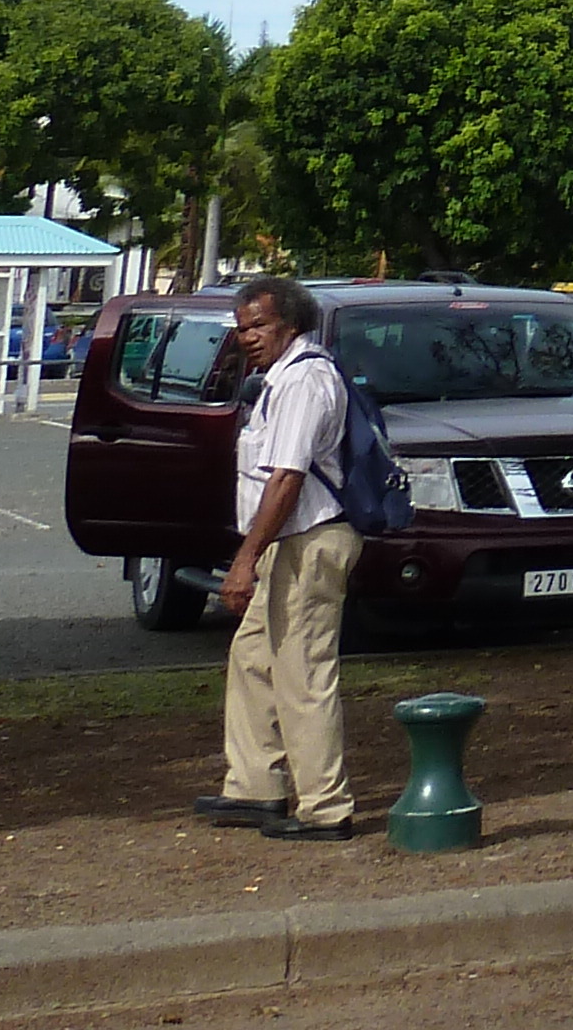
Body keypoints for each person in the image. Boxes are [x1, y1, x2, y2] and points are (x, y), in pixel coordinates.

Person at [195, 275, 360, 840]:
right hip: (285, 543)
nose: (248, 337)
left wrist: (245, 560)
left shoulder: (305, 381)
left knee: (303, 674)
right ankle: (255, 788)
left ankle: (325, 808)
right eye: (242, 328)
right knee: (252, 658)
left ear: (291, 323)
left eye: (259, 325)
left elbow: (287, 479)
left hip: (309, 541)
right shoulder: (277, 380)